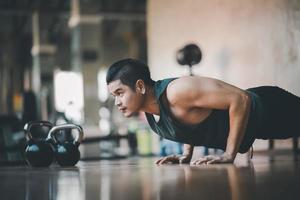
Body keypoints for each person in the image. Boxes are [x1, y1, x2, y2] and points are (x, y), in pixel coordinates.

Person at [106, 58, 300, 165]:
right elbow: (189, 119)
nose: (117, 102)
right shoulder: (152, 111)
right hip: (263, 127)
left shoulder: (176, 91)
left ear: (140, 86)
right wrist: (186, 154)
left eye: (120, 93)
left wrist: (228, 154)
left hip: (272, 108)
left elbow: (241, 99)